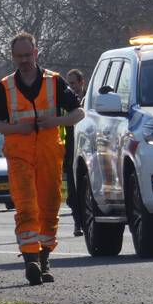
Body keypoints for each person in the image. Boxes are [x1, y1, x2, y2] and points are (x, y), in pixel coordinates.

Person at [0, 32, 83, 285]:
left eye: (27, 55)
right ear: (13, 57)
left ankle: (43, 259)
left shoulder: (54, 82)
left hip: (49, 153)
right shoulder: (5, 86)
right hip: (19, 154)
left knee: (49, 206)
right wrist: (17, 129)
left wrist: (56, 121)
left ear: (36, 53)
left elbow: (79, 113)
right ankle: (30, 259)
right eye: (19, 56)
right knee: (26, 205)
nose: (24, 60)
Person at [63, 68, 87, 237]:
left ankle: (87, 221)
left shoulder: (88, 100)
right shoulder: (65, 102)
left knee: (84, 188)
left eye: (73, 83)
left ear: (81, 82)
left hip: (86, 148)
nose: (70, 87)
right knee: (72, 190)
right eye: (68, 83)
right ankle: (77, 223)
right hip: (70, 149)